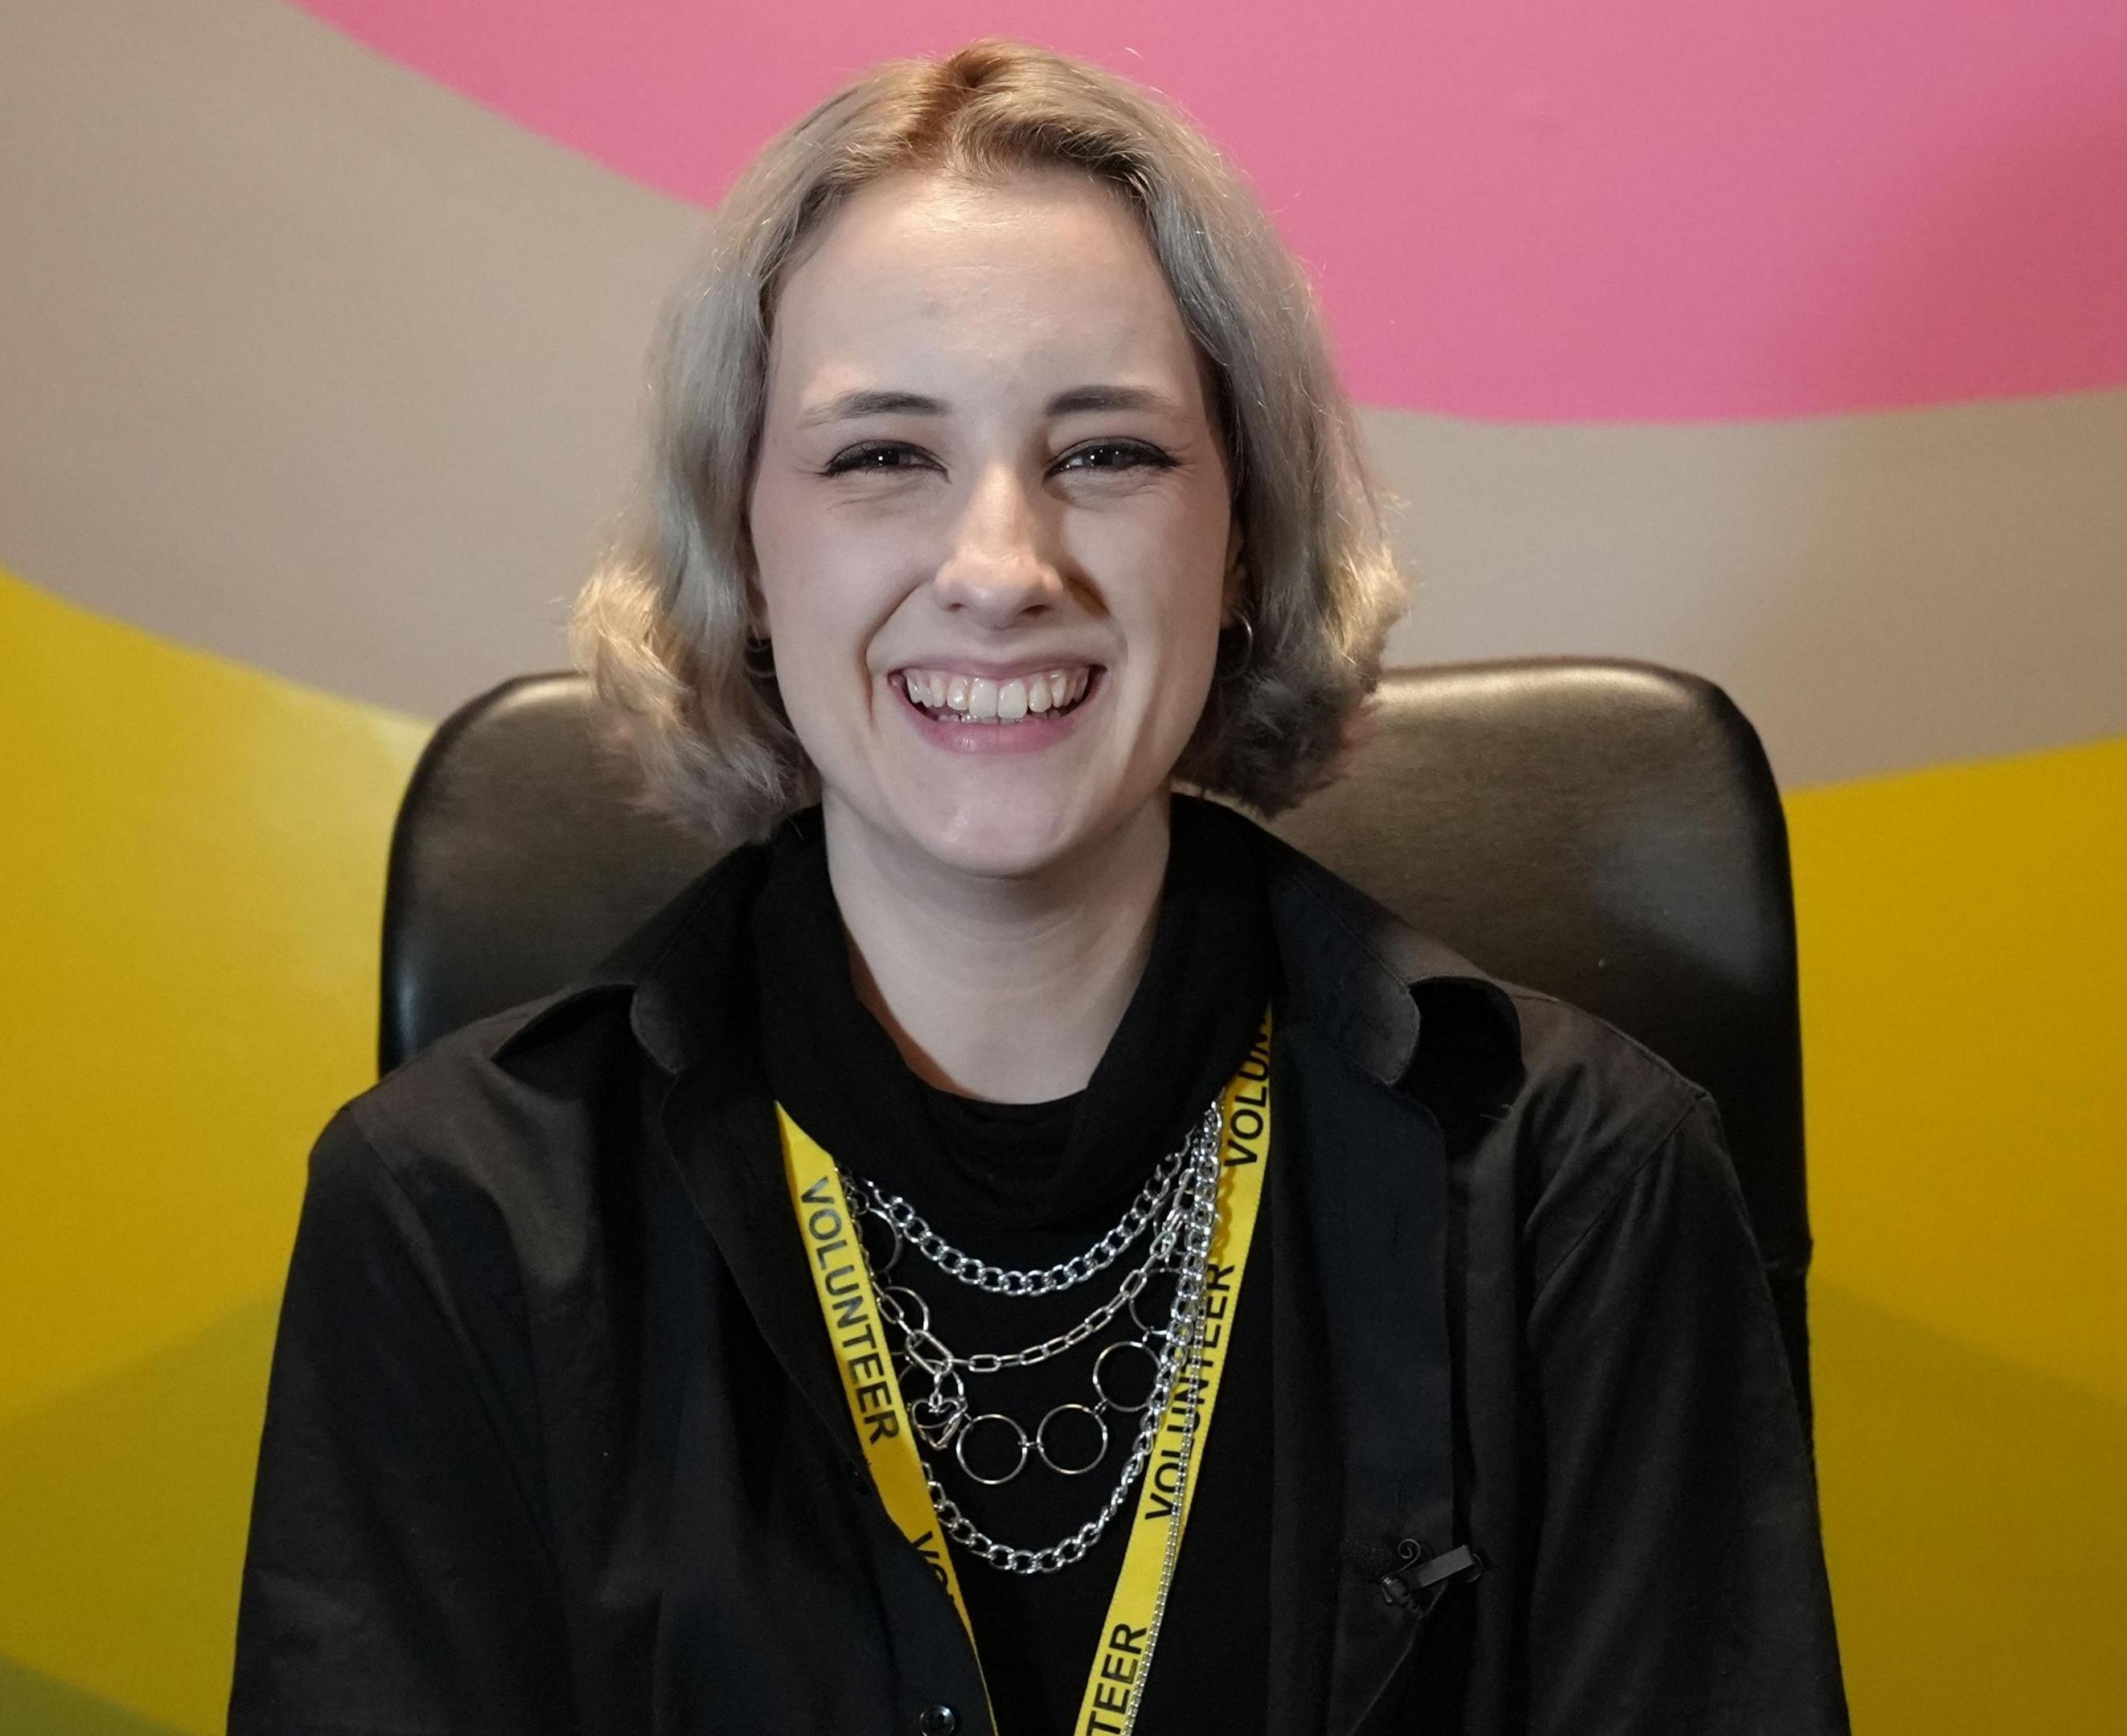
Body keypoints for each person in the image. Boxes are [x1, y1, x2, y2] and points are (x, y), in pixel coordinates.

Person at [230, 39, 1846, 1736]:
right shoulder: (453, 1217)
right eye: (880, 459)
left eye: (1109, 454)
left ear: (1242, 539)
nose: (1001, 569)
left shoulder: (1571, 1193)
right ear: (747, 548)